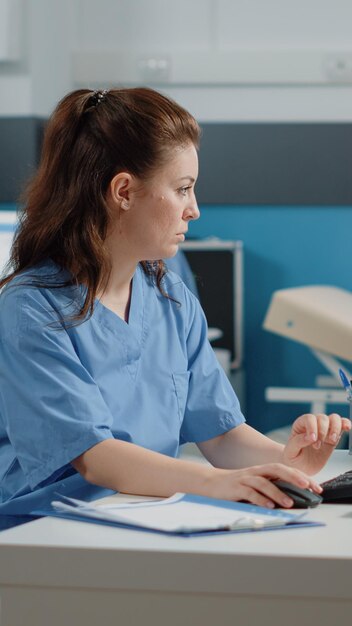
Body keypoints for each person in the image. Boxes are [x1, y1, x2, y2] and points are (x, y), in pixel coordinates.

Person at [0, 88, 350, 517]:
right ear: (124, 191)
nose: (194, 210)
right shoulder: (31, 308)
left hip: (142, 516)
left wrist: (286, 461)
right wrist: (217, 483)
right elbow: (94, 457)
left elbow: (220, 435)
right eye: (183, 189)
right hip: (44, 532)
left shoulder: (170, 297)